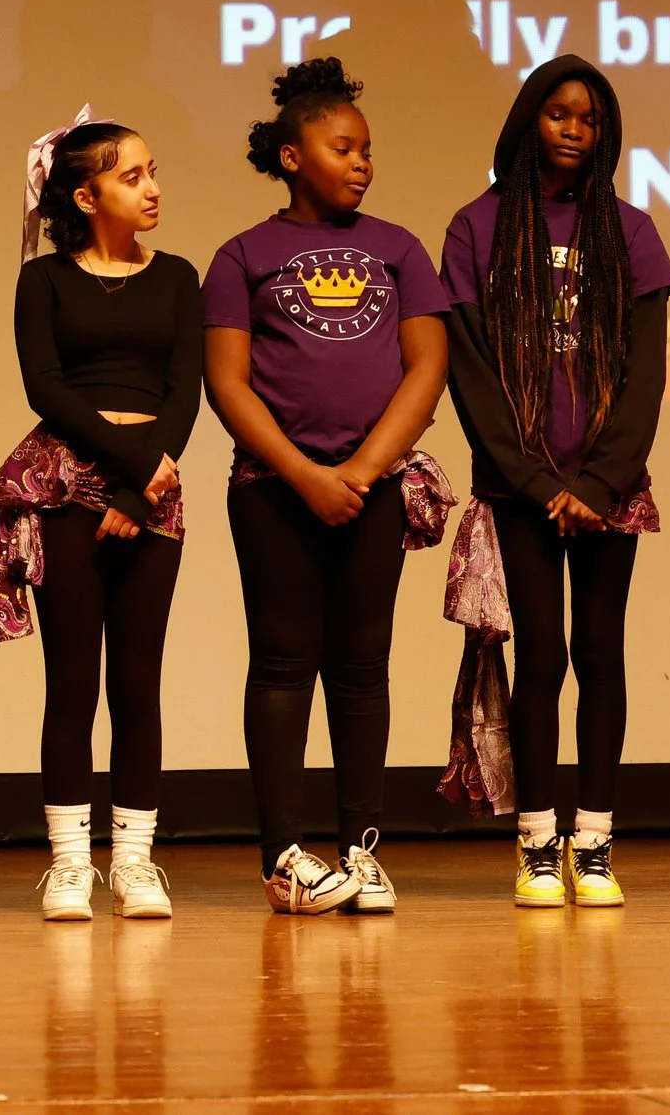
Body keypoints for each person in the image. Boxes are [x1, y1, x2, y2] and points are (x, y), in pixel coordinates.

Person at [203, 58, 454, 917]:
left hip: (368, 489)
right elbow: (229, 384)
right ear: (289, 154)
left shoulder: (399, 248)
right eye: (342, 147)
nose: (361, 163)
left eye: (368, 150)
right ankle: (284, 858)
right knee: (280, 665)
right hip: (274, 490)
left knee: (360, 668)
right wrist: (306, 474)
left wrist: (362, 470)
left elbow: (427, 368)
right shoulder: (243, 256)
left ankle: (360, 848)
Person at [438, 56, 670, 909]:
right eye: (559, 114)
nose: (576, 129)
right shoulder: (477, 227)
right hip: (520, 489)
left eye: (591, 118)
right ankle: (538, 842)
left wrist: (602, 481)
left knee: (600, 653)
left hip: (609, 488)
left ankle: (596, 841)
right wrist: (536, 480)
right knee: (541, 655)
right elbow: (469, 369)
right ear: (527, 119)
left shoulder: (632, 231)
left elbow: (644, 374)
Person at [0, 113, 202, 922]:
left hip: (155, 498)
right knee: (71, 683)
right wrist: (126, 467)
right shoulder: (44, 280)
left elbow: (186, 389)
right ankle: (71, 862)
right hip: (68, 487)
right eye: (133, 175)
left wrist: (143, 493)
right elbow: (47, 388)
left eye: (151, 170)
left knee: (138, 682)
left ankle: (135, 861)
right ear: (86, 193)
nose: (152, 187)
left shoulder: (178, 276)